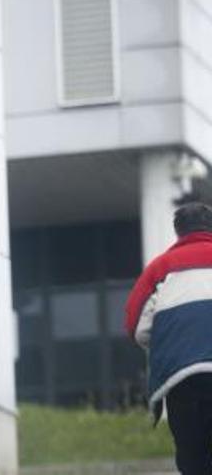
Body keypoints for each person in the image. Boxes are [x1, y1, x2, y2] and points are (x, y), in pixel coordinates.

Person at [124, 202, 212, 474]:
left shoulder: (159, 269)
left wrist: (174, 340)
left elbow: (136, 327)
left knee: (192, 457)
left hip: (181, 378)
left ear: (178, 233)